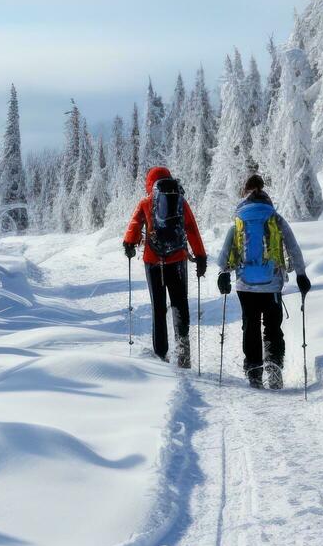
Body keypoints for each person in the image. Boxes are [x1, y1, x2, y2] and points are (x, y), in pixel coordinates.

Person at [216, 174, 310, 389]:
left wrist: (224, 273)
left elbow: (224, 256)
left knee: (250, 326)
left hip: (245, 285)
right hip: (272, 284)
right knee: (272, 325)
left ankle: (254, 370)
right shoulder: (275, 218)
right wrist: (301, 275)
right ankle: (274, 365)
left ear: (245, 192)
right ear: (263, 191)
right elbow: (293, 247)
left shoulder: (239, 220)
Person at [123, 166, 208, 367]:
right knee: (180, 303)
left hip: (153, 262)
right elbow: (192, 229)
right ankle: (183, 353)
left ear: (150, 183)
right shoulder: (180, 201)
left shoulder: (145, 202)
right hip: (177, 259)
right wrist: (201, 256)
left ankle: (161, 355)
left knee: (158, 308)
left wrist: (129, 244)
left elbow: (135, 224)